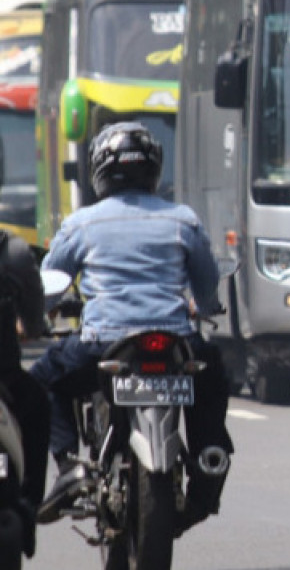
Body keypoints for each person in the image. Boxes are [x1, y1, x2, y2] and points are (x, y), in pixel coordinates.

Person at [30, 122, 233, 535]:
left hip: (104, 344)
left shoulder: (82, 223)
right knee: (212, 375)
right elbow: (207, 286)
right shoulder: (183, 219)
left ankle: (68, 466)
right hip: (175, 341)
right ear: (154, 168)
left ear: (100, 170)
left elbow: (49, 285)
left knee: (41, 381)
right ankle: (209, 452)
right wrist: (205, 305)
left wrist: (37, 316)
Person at [0, 229, 50, 558]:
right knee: (38, 405)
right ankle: (30, 504)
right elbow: (33, 316)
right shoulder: (11, 251)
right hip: (6, 378)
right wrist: (30, 327)